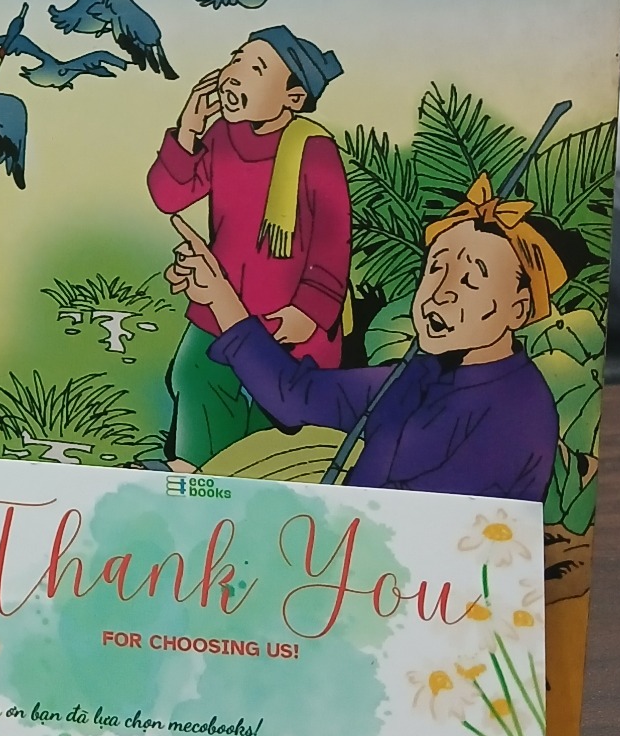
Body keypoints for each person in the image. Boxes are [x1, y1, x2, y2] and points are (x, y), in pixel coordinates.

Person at [164, 174, 562, 499]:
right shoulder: (415, 375)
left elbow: (424, 528)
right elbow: (297, 394)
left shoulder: (518, 411)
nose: (441, 293)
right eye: (436, 269)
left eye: (471, 280)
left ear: (519, 309)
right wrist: (219, 295)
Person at [147, 26, 351, 468]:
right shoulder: (222, 136)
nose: (234, 74)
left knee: (272, 407)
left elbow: (333, 243)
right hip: (217, 304)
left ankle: (249, 476)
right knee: (193, 375)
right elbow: (169, 195)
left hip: (286, 318)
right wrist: (189, 129)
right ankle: (193, 468)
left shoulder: (314, 150)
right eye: (236, 59)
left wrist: (309, 312)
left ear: (293, 98)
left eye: (256, 68)